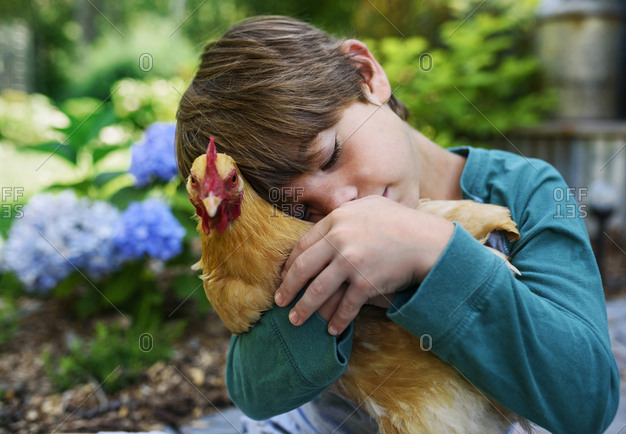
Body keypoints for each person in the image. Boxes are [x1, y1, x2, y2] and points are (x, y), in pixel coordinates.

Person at [175, 15, 619, 433]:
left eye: (330, 155)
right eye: (295, 206)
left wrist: (433, 255)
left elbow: (588, 398)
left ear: (367, 76)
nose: (339, 204)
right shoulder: (294, 245)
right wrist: (324, 294)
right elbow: (251, 389)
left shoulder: (527, 189)